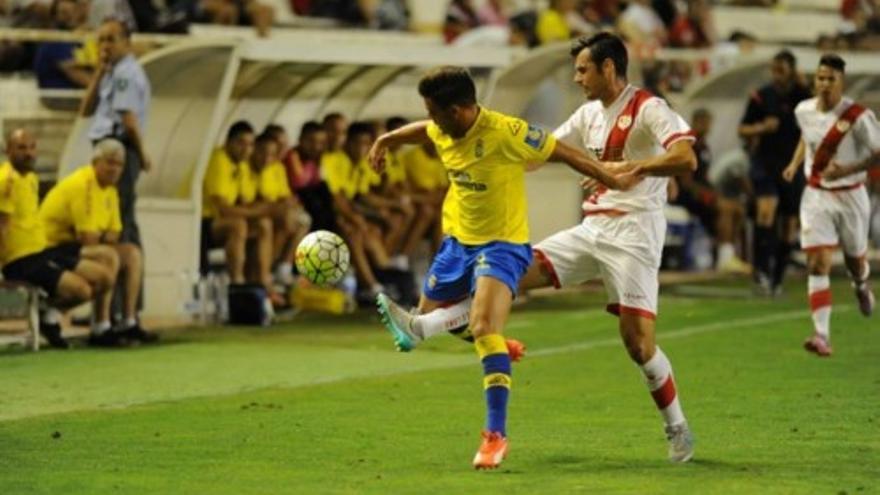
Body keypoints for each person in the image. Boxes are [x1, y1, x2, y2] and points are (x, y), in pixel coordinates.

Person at [376, 33, 697, 464]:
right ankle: (428, 328)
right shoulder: (587, 115)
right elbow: (538, 151)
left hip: (636, 235)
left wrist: (631, 166)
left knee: (638, 346)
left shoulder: (650, 108)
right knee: (507, 284)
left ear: (608, 68)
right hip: (591, 228)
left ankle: (677, 426)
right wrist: (492, 155)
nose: (577, 77)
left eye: (583, 69)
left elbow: (685, 158)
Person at [781, 54, 880, 357]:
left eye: (830, 79)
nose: (824, 84)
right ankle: (821, 334)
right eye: (820, 78)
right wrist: (794, 163)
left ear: (841, 81)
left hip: (851, 195)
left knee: (854, 263)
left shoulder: (859, 117)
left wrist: (846, 171)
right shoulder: (804, 110)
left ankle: (861, 286)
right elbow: (807, 138)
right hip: (817, 195)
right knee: (817, 262)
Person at [0, 129, 118, 348]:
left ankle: (49, 314)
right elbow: (2, 227)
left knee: (104, 277)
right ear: (8, 151)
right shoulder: (6, 181)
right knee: (83, 290)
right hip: (21, 260)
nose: (28, 153)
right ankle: (49, 318)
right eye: (21, 148)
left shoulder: (31, 178)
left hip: (43, 250)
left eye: (32, 147)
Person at [40, 138, 157, 344]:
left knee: (132, 253)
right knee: (108, 256)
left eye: (119, 164)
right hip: (51, 248)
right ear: (95, 162)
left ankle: (128, 322)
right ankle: (100, 326)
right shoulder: (83, 185)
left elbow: (115, 235)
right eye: (109, 162)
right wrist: (102, 237)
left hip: (74, 247)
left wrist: (101, 236)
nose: (115, 169)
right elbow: (89, 240)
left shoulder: (111, 191)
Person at [738, 50, 811, 295]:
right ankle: (761, 272)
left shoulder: (804, 96)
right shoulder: (761, 96)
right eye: (774, 69)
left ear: (792, 70)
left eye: (781, 69)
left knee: (789, 223)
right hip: (766, 163)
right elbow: (742, 128)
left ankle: (777, 278)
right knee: (766, 211)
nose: (776, 74)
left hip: (793, 165)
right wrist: (761, 127)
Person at [81, 18, 151, 249]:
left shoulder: (125, 74)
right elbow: (85, 110)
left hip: (118, 148)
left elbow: (129, 122)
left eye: (111, 39)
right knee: (115, 212)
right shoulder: (111, 72)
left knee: (120, 217)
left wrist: (141, 155)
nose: (105, 45)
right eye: (101, 39)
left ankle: (128, 276)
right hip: (108, 148)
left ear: (127, 42)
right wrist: (99, 72)